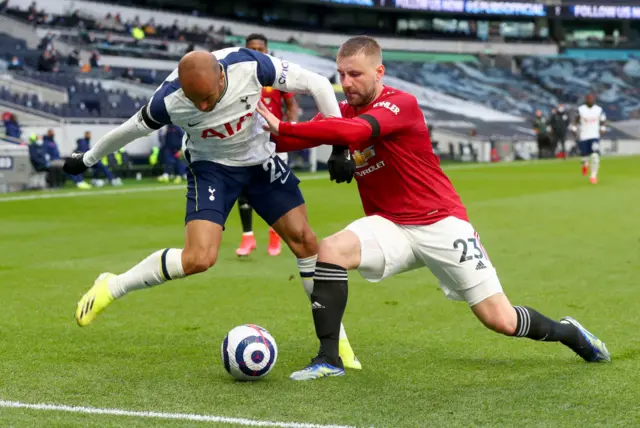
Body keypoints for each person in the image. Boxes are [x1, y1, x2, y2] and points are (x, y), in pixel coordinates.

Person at [256, 35, 610, 381]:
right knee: (330, 250)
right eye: (341, 75)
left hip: (441, 223)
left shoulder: (401, 103)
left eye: (356, 74)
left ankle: (570, 333)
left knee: (501, 320)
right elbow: (292, 136)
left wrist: (302, 132)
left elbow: (355, 132)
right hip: (390, 225)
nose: (346, 83)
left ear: (379, 73)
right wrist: (258, 120)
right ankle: (328, 359)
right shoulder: (341, 112)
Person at [63, 47, 361, 370]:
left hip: (260, 159)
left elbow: (318, 83)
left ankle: (337, 343)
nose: (202, 106)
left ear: (221, 75)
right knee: (199, 258)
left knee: (305, 240)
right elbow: (128, 130)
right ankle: (113, 285)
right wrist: (87, 159)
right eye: (195, 101)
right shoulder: (168, 100)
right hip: (211, 167)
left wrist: (340, 146)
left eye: (207, 97)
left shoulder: (250, 65)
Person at [236, 34, 300, 257]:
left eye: (259, 48)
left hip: (274, 141)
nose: (256, 51)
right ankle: (248, 238)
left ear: (266, 50)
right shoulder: (237, 75)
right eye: (251, 47)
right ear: (246, 49)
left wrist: (290, 128)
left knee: (274, 188)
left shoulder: (277, 75)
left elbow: (291, 104)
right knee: (243, 189)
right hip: (245, 140)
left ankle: (275, 235)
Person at [573, 94, 606, 184]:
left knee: (595, 156)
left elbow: (603, 120)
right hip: (583, 136)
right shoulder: (581, 109)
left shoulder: (598, 109)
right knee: (584, 157)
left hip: (594, 136)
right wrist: (574, 129)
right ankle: (585, 164)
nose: (590, 100)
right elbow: (575, 120)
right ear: (586, 99)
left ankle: (593, 176)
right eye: (589, 99)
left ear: (594, 100)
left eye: (592, 99)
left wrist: (603, 128)